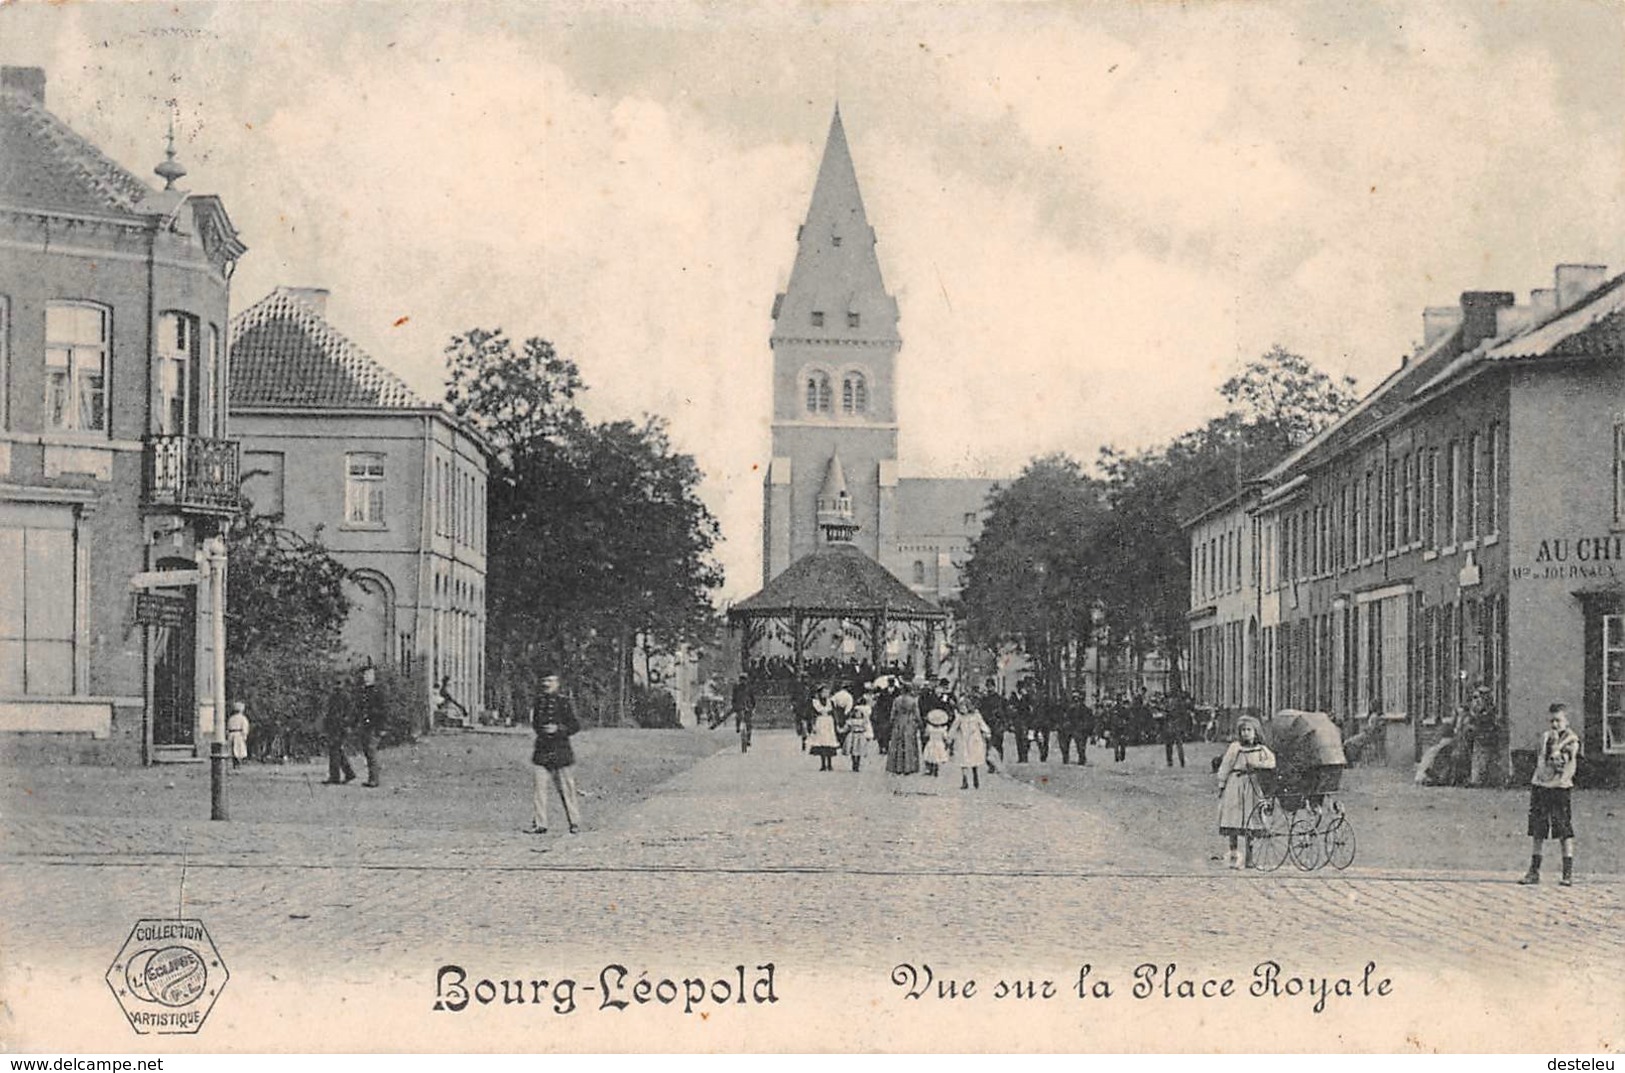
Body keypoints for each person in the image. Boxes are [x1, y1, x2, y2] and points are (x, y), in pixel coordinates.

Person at [1519, 703, 1580, 886]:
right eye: (1552, 720)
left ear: (1566, 721)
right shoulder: (1545, 737)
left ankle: (1567, 872)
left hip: (1560, 788)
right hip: (1541, 786)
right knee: (1538, 829)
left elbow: (1560, 763)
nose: (1554, 724)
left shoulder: (1571, 741)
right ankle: (1534, 870)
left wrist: (1556, 749)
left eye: (1558, 720)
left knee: (1563, 830)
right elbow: (1540, 759)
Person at [1216, 715, 1276, 870]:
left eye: (1249, 730)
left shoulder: (1261, 749)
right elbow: (1225, 765)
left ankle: (1250, 858)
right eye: (1243, 730)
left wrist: (1258, 764)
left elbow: (1272, 762)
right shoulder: (1235, 748)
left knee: (1251, 821)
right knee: (1233, 820)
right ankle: (1234, 856)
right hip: (1235, 784)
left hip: (1252, 786)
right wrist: (1222, 783)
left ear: (1256, 732)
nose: (1246, 733)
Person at [527, 673, 582, 834]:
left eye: (550, 680)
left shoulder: (564, 702)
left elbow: (575, 725)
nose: (547, 684)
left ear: (557, 683)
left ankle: (574, 822)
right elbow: (536, 724)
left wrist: (558, 729)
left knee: (567, 788)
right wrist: (544, 732)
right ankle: (540, 823)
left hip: (561, 750)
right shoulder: (538, 702)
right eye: (544, 680)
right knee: (539, 789)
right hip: (542, 750)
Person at [949, 696, 992, 790]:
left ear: (968, 706)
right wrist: (949, 738)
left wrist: (987, 733)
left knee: (974, 758)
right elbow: (953, 728)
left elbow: (982, 724)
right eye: (960, 707)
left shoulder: (976, 716)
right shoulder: (960, 718)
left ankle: (975, 775)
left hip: (974, 740)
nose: (962, 708)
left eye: (964, 706)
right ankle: (964, 780)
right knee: (963, 759)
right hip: (963, 740)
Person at [321, 676, 356, 785]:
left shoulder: (345, 697)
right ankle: (348, 773)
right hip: (333, 726)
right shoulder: (333, 697)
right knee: (336, 750)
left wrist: (347, 725)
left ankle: (335, 776)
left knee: (334, 750)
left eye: (339, 683)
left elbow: (350, 713)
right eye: (335, 683)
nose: (336, 686)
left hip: (340, 727)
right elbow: (329, 713)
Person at [886, 681, 922, 776]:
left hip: (898, 722)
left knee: (898, 744)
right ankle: (908, 767)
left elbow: (892, 714)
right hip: (909, 722)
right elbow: (917, 714)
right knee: (908, 744)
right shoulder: (913, 701)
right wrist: (919, 724)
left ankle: (897, 766)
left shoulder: (897, 700)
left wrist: (892, 722)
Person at [356, 662, 383, 788]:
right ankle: (371, 777)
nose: (366, 677)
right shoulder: (363, 691)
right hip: (365, 725)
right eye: (365, 674)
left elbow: (383, 710)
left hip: (374, 725)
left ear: (374, 676)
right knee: (367, 751)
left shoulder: (377, 692)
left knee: (371, 750)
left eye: (369, 674)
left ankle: (374, 779)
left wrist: (381, 727)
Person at [807, 686, 840, 772]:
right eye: (824, 692)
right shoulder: (815, 703)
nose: (826, 694)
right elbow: (812, 715)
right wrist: (813, 725)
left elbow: (834, 713)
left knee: (829, 742)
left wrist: (837, 724)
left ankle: (829, 764)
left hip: (829, 722)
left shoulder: (831, 702)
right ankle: (823, 764)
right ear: (820, 693)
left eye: (827, 692)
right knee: (821, 742)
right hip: (820, 722)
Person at [843, 694, 873, 772]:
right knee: (853, 750)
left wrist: (866, 734)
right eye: (856, 713)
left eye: (859, 713)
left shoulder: (863, 721)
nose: (858, 714)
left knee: (859, 750)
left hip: (860, 735)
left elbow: (865, 727)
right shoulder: (851, 721)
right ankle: (854, 763)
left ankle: (857, 764)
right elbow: (846, 727)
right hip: (853, 735)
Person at [921, 704, 952, 777]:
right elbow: (946, 737)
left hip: (931, 743)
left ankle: (930, 768)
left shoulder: (929, 728)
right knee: (937, 756)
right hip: (939, 744)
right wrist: (947, 743)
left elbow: (926, 735)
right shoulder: (943, 729)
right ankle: (936, 768)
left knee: (930, 755)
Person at [1162, 692, 1189, 768]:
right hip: (1178, 726)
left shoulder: (1167, 703)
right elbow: (1184, 715)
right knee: (1179, 744)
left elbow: (1165, 715)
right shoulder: (1180, 703)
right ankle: (1182, 761)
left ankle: (1169, 761)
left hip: (1169, 726)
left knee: (1169, 745)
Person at [226, 701, 250, 770]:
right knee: (238, 750)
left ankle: (235, 763)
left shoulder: (231, 718)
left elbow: (228, 727)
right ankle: (238, 763)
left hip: (231, 734)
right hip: (238, 735)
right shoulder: (242, 718)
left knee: (234, 750)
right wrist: (244, 735)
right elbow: (245, 727)